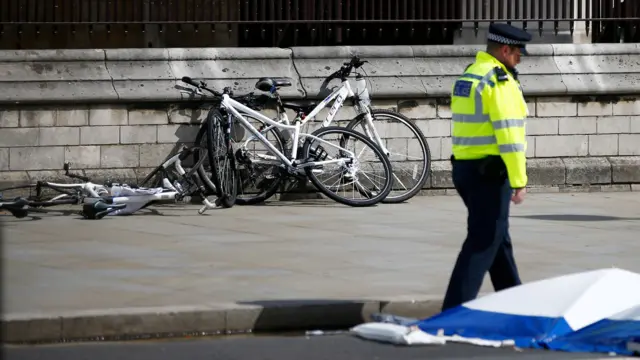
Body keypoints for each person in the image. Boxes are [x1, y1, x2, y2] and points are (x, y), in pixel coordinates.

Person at [441, 23, 532, 312]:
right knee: (484, 242)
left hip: (465, 170)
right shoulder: (499, 81)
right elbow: (510, 137)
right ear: (505, 50)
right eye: (518, 52)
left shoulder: (470, 75)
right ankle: (454, 311)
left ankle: (516, 304)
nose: (520, 58)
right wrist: (519, 179)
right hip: (490, 173)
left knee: (498, 239)